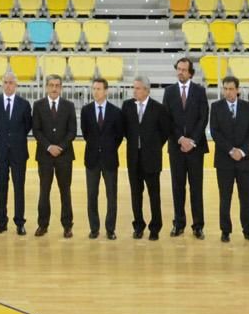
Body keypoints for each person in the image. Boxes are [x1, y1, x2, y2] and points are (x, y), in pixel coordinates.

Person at [210, 75, 249, 245]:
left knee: (245, 198)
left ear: (238, 90)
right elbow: (215, 132)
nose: (228, 92)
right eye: (225, 89)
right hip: (224, 160)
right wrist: (231, 150)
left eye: (231, 89)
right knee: (225, 197)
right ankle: (225, 230)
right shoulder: (215, 107)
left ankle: (248, 231)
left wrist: (242, 151)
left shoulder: (248, 107)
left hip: (245, 160)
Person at [163, 55, 208, 238]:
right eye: (178, 69)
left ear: (190, 73)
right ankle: (178, 223)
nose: (180, 72)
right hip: (176, 147)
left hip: (196, 148)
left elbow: (203, 117)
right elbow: (167, 119)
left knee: (196, 187)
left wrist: (192, 140)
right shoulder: (169, 91)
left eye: (183, 70)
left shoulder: (199, 91)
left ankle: (198, 226)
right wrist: (181, 139)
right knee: (177, 186)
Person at [121, 74, 168, 240]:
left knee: (154, 194)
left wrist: (153, 147)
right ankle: (138, 225)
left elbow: (164, 133)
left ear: (147, 90)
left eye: (138, 88)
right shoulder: (127, 106)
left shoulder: (158, 108)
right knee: (136, 193)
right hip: (133, 158)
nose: (135, 91)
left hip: (152, 158)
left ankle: (155, 227)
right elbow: (125, 130)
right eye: (133, 87)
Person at [0, 69, 32, 235]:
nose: (8, 85)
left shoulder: (24, 104)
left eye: (11, 82)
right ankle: (2, 221)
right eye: (5, 82)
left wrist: (14, 139)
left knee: (19, 187)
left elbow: (27, 126)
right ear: (2, 84)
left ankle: (20, 222)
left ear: (16, 85)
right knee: (1, 187)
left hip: (19, 152)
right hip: (0, 152)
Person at [32, 72, 76, 239]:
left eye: (57, 85)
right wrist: (49, 146)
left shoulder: (69, 106)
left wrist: (60, 147)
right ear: (46, 87)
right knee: (44, 191)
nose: (54, 88)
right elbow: (36, 130)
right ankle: (43, 225)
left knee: (65, 191)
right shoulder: (38, 105)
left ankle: (67, 226)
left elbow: (72, 131)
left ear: (61, 88)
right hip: (44, 156)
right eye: (51, 85)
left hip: (64, 157)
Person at [80, 78, 123, 241]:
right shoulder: (86, 111)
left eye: (99, 89)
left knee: (111, 196)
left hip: (110, 159)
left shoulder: (116, 112)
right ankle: (94, 228)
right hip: (91, 159)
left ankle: (110, 229)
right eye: (94, 89)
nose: (95, 92)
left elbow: (119, 135)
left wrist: (108, 148)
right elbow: (86, 133)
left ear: (106, 91)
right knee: (92, 195)